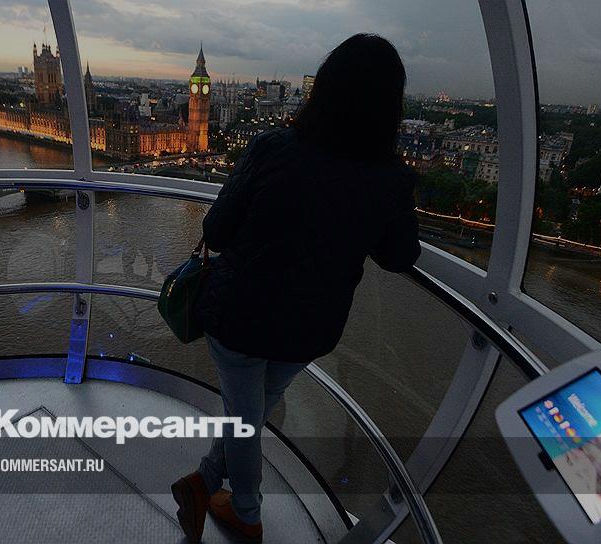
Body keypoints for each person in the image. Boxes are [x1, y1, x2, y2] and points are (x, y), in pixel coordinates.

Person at [171, 33, 421, 543]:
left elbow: (216, 230)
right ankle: (204, 482)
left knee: (244, 419)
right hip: (307, 328)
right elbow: (400, 256)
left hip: (239, 317)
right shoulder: (391, 179)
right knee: (250, 414)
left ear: (321, 91)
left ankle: (246, 513)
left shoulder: (273, 147)